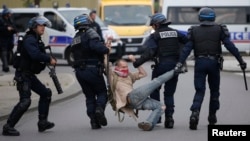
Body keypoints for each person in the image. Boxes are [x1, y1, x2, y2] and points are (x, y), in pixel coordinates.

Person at [174, 7, 247, 130]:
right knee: (214, 91)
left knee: (199, 90)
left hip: (200, 63)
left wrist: (179, 63)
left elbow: (187, 49)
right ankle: (212, 117)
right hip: (214, 63)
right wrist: (241, 61)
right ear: (213, 17)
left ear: (200, 17)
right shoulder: (219, 29)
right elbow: (230, 46)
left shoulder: (194, 30)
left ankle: (195, 113)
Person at [2, 15, 57, 136]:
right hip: (23, 75)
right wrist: (48, 59)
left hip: (29, 75)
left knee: (46, 93)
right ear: (34, 27)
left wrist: (49, 59)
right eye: (41, 25)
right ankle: (8, 126)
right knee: (25, 101)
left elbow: (38, 55)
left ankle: (42, 122)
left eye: (44, 25)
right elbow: (35, 55)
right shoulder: (29, 40)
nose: (43, 28)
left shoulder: (36, 39)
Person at [133, 13, 188, 128]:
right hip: (174, 67)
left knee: (155, 90)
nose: (152, 27)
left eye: (153, 25)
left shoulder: (155, 35)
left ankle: (157, 117)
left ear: (157, 24)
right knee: (169, 93)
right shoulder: (176, 33)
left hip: (161, 66)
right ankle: (169, 118)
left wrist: (137, 63)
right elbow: (188, 42)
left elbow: (150, 52)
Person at [105, 53, 178, 131]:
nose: (126, 68)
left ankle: (148, 123)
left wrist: (134, 61)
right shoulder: (112, 76)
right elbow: (106, 65)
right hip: (131, 97)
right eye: (123, 67)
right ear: (117, 67)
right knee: (156, 82)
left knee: (161, 107)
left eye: (126, 66)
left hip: (137, 103)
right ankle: (176, 70)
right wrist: (106, 52)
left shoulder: (129, 75)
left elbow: (143, 74)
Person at [71, 14, 110, 130]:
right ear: (87, 22)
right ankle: (99, 109)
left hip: (79, 72)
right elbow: (97, 47)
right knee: (102, 93)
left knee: (89, 96)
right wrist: (106, 48)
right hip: (92, 69)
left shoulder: (75, 38)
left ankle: (94, 122)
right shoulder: (90, 32)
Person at [0, 7, 17, 72]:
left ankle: (5, 65)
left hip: (10, 40)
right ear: (6, 14)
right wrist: (6, 28)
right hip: (3, 39)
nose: (10, 14)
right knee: (4, 53)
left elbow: (14, 27)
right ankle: (6, 66)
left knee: (8, 53)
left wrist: (15, 31)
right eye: (9, 13)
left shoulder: (10, 20)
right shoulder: (1, 20)